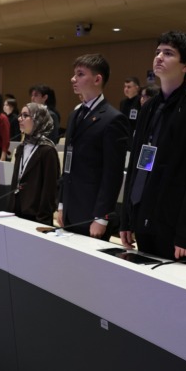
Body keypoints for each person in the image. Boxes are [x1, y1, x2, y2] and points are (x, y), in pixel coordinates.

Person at [120, 31, 186, 259]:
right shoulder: (149, 107)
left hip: (174, 225)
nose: (159, 57)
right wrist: (127, 217)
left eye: (168, 53)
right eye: (157, 52)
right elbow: (137, 164)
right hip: (143, 215)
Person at [57, 54, 130, 238]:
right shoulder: (74, 115)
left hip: (92, 213)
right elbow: (68, 164)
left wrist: (102, 217)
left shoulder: (113, 119)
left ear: (97, 79)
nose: (73, 79)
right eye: (74, 74)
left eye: (80, 74)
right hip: (70, 207)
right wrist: (62, 203)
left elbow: (112, 174)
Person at [9, 103, 60, 225]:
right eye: (20, 115)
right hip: (16, 212)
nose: (19, 118)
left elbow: (50, 190)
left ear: (38, 120)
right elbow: (16, 181)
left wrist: (43, 220)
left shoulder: (48, 150)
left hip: (37, 218)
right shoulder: (21, 147)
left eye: (25, 115)